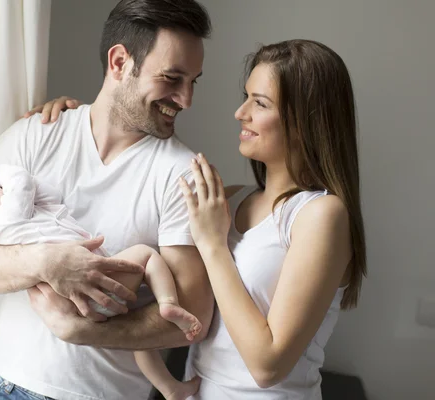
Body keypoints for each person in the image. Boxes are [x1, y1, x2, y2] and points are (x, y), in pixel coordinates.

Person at [32, 39, 367, 399]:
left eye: (260, 103)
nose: (241, 113)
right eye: (246, 96)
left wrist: (212, 245)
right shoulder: (228, 199)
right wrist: (77, 121)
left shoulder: (320, 215)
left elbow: (268, 365)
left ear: (305, 120)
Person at [0, 1, 214, 399]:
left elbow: (193, 313)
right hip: (2, 387)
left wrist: (86, 331)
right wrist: (45, 262)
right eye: (172, 77)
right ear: (119, 62)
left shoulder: (182, 175)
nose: (187, 99)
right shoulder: (37, 134)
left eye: (194, 81)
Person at [0, 164, 202, 399]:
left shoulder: (13, 233)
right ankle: (167, 303)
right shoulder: (8, 218)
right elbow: (21, 182)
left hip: (72, 306)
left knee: (139, 345)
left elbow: (48, 194)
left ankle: (169, 388)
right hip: (97, 287)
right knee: (146, 255)